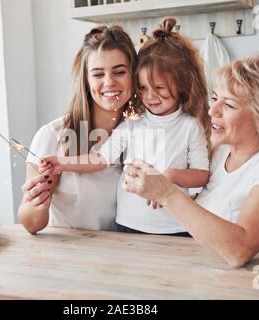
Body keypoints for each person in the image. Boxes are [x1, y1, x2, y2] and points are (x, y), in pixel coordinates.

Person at [122, 53, 259, 267]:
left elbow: (239, 250)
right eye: (215, 98)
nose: (212, 110)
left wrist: (165, 193)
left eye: (229, 105)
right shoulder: (222, 152)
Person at [40, 17, 210, 236]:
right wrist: (62, 163)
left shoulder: (190, 126)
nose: (151, 96)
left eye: (160, 87)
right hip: (128, 225)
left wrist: (168, 177)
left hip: (175, 227)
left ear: (181, 84)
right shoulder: (132, 123)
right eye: (143, 87)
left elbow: (201, 175)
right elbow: (101, 159)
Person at [18, 25, 138, 234]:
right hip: (74, 257)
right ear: (86, 80)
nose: (109, 82)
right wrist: (34, 201)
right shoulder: (53, 135)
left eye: (119, 72)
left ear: (134, 75)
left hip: (127, 253)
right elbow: (31, 224)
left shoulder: (140, 132)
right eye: (98, 74)